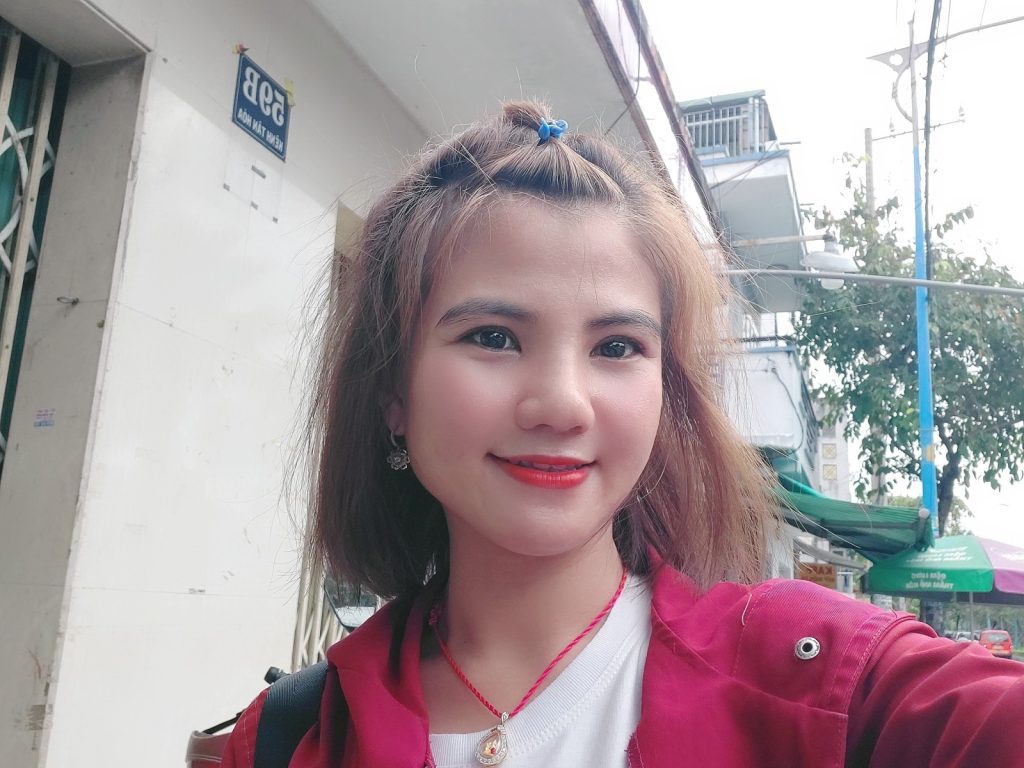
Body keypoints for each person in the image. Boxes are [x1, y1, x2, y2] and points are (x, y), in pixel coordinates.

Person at [222, 101, 1024, 767]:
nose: (562, 404)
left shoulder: (826, 683)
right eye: (493, 337)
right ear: (393, 394)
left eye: (616, 347)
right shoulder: (288, 739)